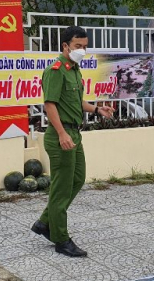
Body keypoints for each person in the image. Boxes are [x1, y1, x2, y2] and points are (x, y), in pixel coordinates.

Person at [30, 26, 114, 257]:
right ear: (65, 46)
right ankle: (61, 238)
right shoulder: (55, 70)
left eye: (85, 46)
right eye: (78, 46)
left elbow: (76, 103)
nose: (82, 50)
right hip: (61, 135)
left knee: (78, 179)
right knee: (62, 188)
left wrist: (97, 109)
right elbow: (50, 105)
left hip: (73, 133)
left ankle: (45, 222)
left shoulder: (74, 70)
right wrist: (61, 133)